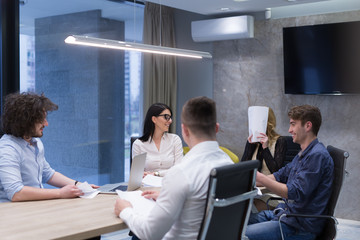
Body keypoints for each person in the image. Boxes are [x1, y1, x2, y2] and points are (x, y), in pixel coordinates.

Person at [114, 96, 233, 239]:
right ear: (216, 128)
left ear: (185, 130)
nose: (169, 121)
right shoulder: (230, 165)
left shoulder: (181, 173)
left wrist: (125, 210)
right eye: (166, 117)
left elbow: (149, 233)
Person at [245, 105, 334, 240]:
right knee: (235, 223)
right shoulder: (303, 153)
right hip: (285, 215)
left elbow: (294, 192)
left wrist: (262, 179)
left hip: (298, 227)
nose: (289, 130)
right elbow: (279, 175)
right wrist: (251, 179)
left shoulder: (317, 156)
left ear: (308, 126)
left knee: (238, 233)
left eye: (293, 124)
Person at [0, 92, 98, 202]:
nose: (46, 124)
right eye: (42, 120)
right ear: (25, 121)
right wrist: (60, 193)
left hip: (34, 208)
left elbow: (48, 174)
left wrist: (80, 186)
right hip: (15, 213)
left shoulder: (35, 142)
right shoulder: (7, 149)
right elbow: (16, 193)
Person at [132, 103, 183, 177]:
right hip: (147, 185)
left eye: (170, 117)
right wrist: (140, 175)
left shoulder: (175, 139)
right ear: (154, 119)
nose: (170, 121)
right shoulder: (138, 144)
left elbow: (179, 169)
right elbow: (136, 175)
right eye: (166, 117)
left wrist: (156, 174)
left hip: (171, 183)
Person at [241, 107, 286, 175]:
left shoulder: (280, 141)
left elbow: (276, 172)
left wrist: (265, 148)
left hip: (269, 183)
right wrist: (249, 146)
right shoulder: (253, 142)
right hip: (252, 182)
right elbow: (242, 169)